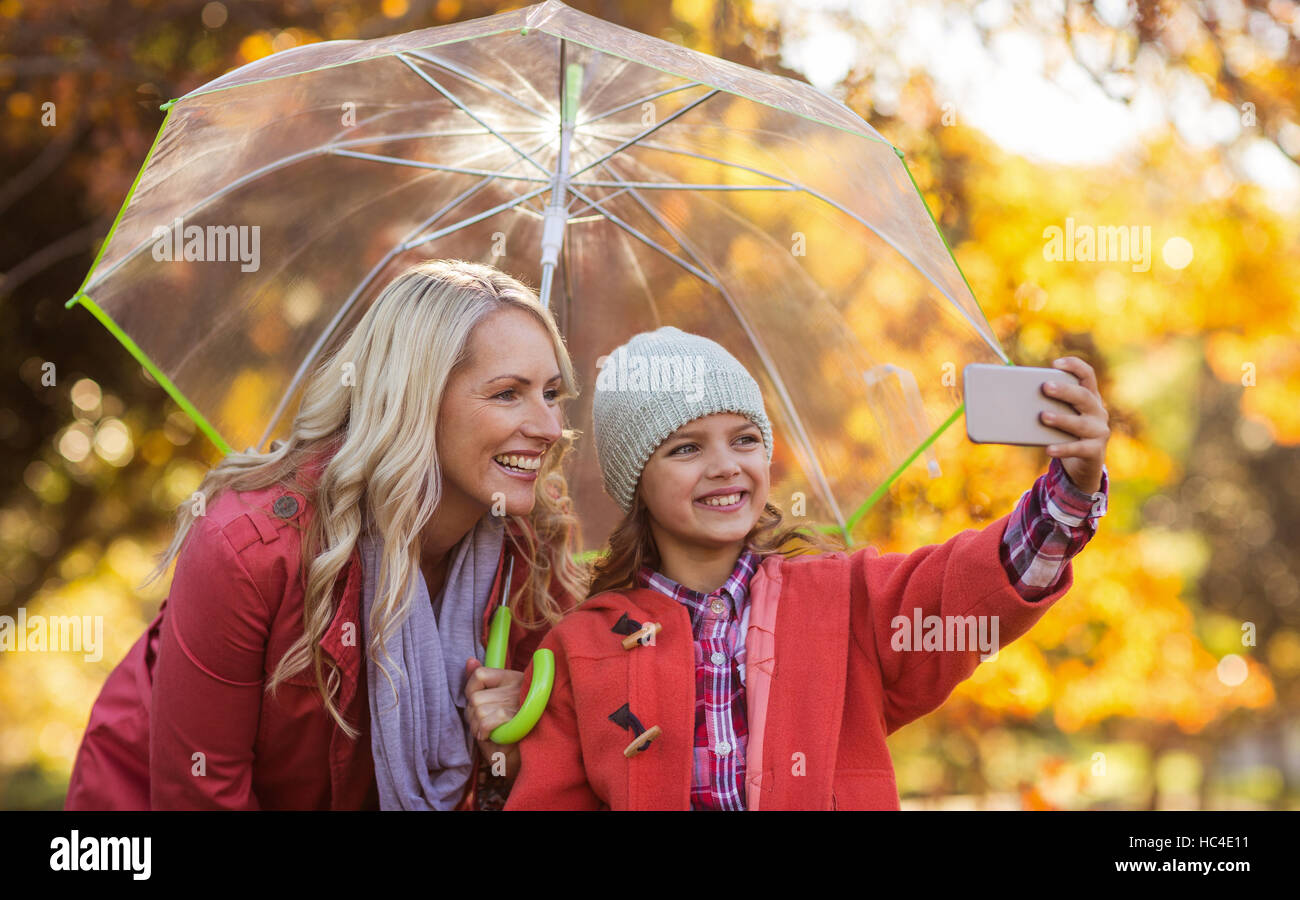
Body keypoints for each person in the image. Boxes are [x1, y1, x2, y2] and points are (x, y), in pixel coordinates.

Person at [505, 326, 1110, 810]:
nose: (725, 466)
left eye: (744, 439)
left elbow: (976, 584)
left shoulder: (845, 601)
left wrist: (1072, 490)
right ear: (636, 480)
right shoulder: (579, 648)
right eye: (686, 448)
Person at [65, 260, 587, 809]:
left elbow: (551, 785)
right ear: (412, 396)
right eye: (508, 394)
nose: (550, 427)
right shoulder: (249, 546)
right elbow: (201, 794)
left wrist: (513, 752)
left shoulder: (531, 541)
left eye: (551, 393)